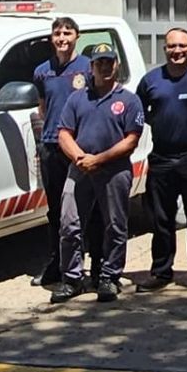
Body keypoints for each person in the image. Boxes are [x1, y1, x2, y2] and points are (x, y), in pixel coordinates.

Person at [50, 43, 144, 304]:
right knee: (69, 224)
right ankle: (72, 279)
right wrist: (80, 158)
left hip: (113, 170)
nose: (104, 66)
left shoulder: (129, 99)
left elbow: (131, 139)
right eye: (99, 62)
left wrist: (99, 159)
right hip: (79, 168)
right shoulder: (77, 98)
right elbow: (64, 133)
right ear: (90, 67)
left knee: (114, 226)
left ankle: (109, 277)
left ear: (116, 65)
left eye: (109, 62)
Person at [135, 27, 187, 295]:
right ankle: (161, 271)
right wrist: (159, 124)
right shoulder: (151, 80)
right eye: (172, 46)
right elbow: (140, 111)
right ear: (164, 49)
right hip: (161, 158)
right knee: (161, 219)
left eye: (182, 46)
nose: (177, 51)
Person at [31, 17, 88, 288]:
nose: (62, 38)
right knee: (55, 211)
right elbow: (43, 107)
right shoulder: (42, 71)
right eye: (57, 33)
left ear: (77, 36)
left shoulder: (87, 68)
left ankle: (85, 265)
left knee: (83, 209)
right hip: (52, 146)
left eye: (67, 32)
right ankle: (57, 262)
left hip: (79, 147)